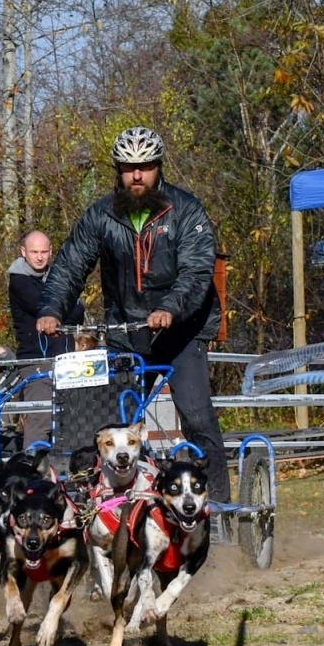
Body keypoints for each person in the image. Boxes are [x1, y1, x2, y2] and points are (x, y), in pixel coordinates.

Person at [36, 125, 231, 498]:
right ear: (118, 170)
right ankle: (107, 506)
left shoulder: (187, 211)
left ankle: (216, 507)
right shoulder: (101, 216)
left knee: (196, 417)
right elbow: (69, 266)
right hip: (127, 331)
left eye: (145, 166)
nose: (137, 175)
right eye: (129, 168)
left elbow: (196, 271)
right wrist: (51, 308)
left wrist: (169, 308)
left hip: (181, 332)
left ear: (159, 167)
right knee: (109, 422)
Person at [9, 231, 83, 446]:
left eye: (44, 252)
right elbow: (43, 306)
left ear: (51, 252)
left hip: (66, 359)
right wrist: (65, 308)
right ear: (24, 252)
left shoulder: (59, 278)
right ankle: (33, 471)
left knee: (72, 418)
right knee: (40, 417)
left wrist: (64, 311)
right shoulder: (19, 282)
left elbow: (79, 311)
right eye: (34, 252)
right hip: (37, 360)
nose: (39, 257)